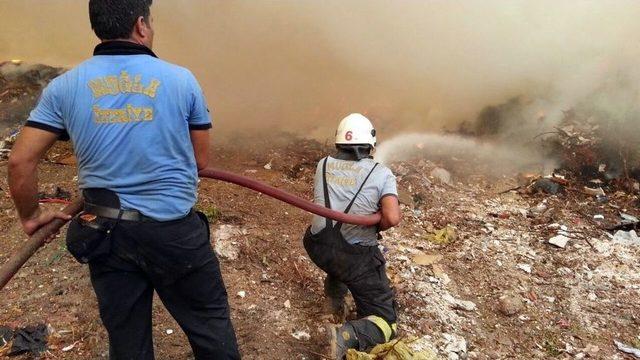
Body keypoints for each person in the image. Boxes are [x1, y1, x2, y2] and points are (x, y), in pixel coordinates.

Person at [7, 1, 240, 359]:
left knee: (127, 342)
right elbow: (200, 159)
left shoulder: (65, 87)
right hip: (174, 234)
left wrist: (31, 215)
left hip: (106, 233)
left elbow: (21, 159)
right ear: (141, 25)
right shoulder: (181, 79)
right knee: (210, 328)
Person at [302, 113, 402, 359]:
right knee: (386, 323)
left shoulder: (322, 164)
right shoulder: (381, 173)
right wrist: (376, 222)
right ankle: (346, 336)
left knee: (339, 258)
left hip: (318, 246)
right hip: (354, 257)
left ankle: (334, 304)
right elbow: (392, 217)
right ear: (370, 144)